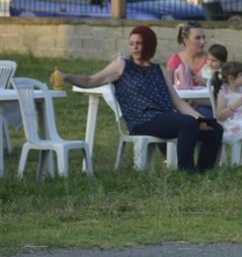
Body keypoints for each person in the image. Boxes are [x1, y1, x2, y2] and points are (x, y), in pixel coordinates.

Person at [59, 25, 223, 172]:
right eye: (131, 44)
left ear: (149, 44)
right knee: (187, 123)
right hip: (142, 120)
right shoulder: (123, 65)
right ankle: (187, 172)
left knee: (214, 127)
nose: (134, 47)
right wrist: (66, 76)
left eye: (139, 43)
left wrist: (200, 118)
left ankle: (204, 172)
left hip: (165, 117)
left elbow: (178, 103)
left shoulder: (158, 70)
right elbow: (91, 80)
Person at [167, 22, 213, 117]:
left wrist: (207, 82)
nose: (203, 41)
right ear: (186, 40)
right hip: (182, 106)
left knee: (204, 115)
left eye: (204, 37)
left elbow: (222, 89)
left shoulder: (212, 59)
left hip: (206, 105)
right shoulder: (175, 60)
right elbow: (167, 88)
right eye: (198, 38)